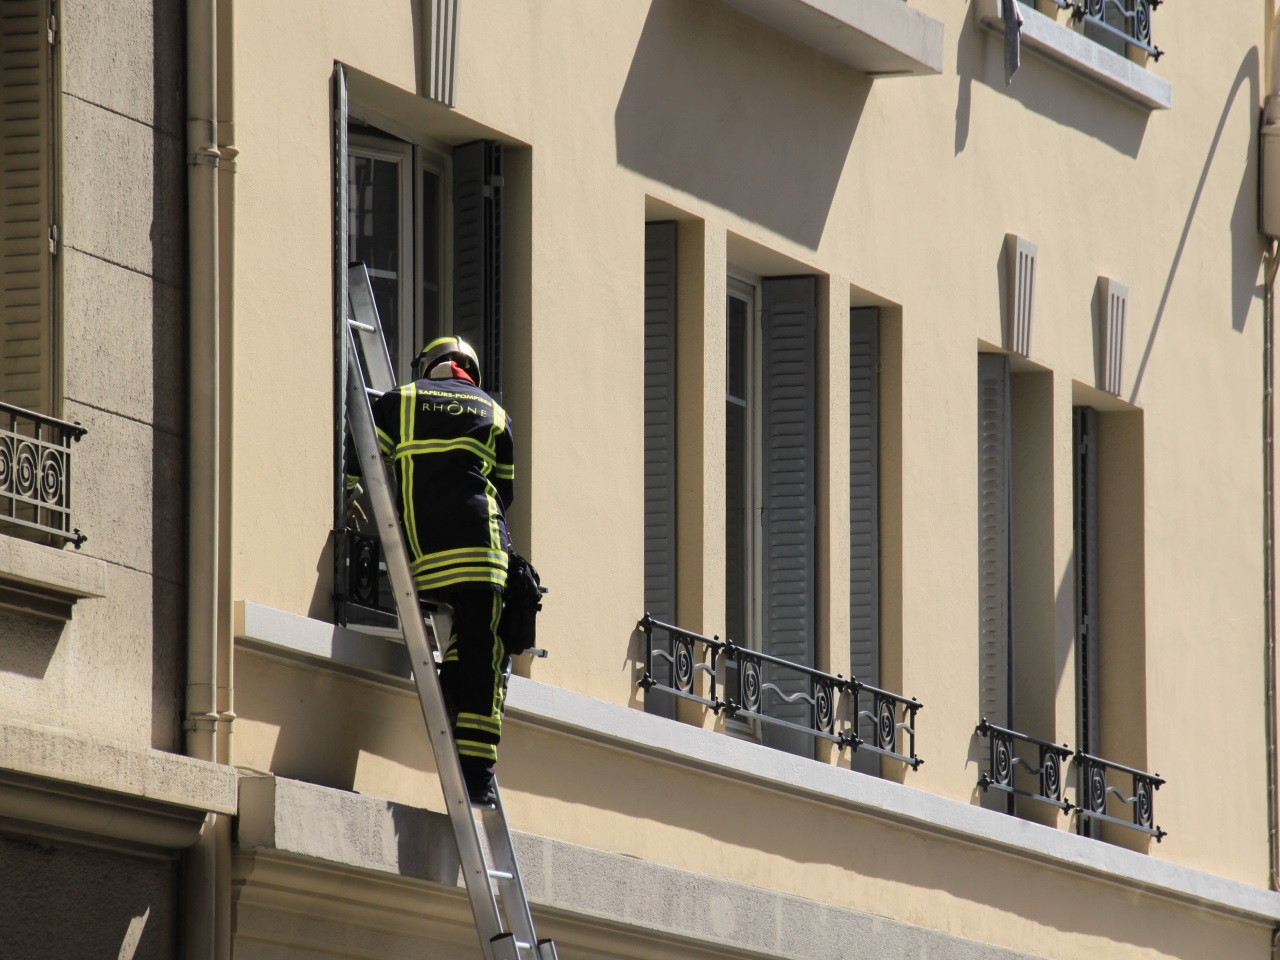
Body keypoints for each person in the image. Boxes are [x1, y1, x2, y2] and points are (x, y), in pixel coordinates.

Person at [370, 335, 514, 806]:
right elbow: (505, 493)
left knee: (468, 644)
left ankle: (452, 683)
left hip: (424, 556)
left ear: (427, 366)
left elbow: (361, 468)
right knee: (486, 650)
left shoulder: (399, 401)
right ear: (471, 370)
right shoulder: (495, 413)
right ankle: (478, 774)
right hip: (481, 553)